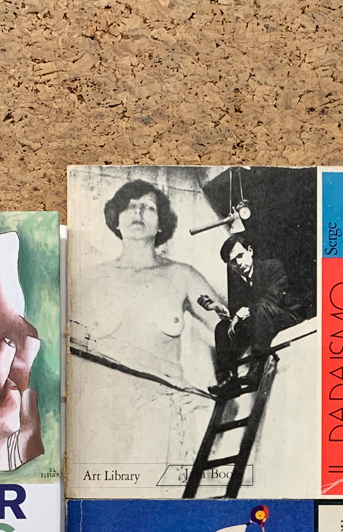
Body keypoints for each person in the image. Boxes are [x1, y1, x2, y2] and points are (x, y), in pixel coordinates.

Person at [70, 180, 222, 469]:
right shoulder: (88, 279)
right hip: (103, 418)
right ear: (116, 219)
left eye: (148, 207)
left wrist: (212, 394)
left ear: (162, 223)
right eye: (129, 206)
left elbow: (229, 333)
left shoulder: (183, 276)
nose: (137, 212)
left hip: (162, 420)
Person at [209, 234, 302, 385]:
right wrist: (227, 314)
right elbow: (239, 312)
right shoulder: (238, 282)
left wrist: (245, 311)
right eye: (233, 262)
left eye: (240, 256)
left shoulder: (272, 266)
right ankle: (228, 378)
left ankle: (256, 370)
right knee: (222, 327)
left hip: (286, 317)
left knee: (259, 308)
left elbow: (273, 298)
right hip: (261, 321)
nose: (238, 264)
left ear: (250, 251)